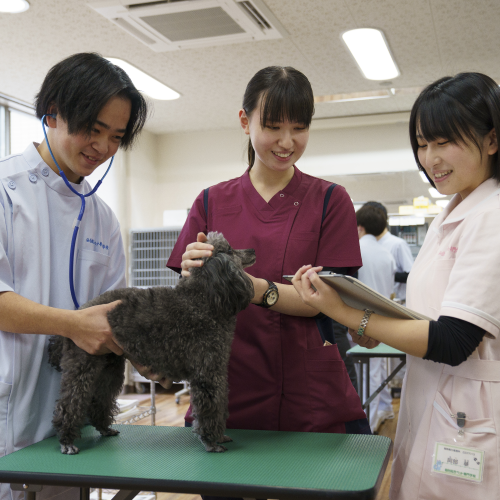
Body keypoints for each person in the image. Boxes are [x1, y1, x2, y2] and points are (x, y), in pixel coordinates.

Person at [292, 72, 500, 499]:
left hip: (468, 418)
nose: (430, 158)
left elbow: (453, 339)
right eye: (423, 144)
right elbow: (428, 318)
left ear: (493, 140)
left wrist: (348, 313)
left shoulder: (492, 216)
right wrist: (372, 324)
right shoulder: (451, 215)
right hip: (433, 402)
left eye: (444, 142)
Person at [167, 65, 369, 479]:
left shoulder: (331, 200)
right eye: (273, 126)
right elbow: (188, 300)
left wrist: (254, 288)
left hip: (308, 395)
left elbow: (328, 301)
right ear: (245, 121)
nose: (287, 142)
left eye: (299, 127)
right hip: (228, 383)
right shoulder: (210, 201)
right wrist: (190, 276)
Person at [0, 53, 148, 500]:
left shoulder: (103, 220)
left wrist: (147, 351)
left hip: (70, 428)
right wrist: (73, 325)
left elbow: (112, 317)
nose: (102, 147)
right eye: (93, 128)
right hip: (9, 414)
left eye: (115, 136)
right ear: (52, 114)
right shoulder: (6, 191)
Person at [355, 205, 396, 432]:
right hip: (383, 320)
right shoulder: (386, 253)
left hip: (358, 320)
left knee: (365, 373)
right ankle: (384, 410)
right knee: (378, 369)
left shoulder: (355, 249)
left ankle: (368, 424)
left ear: (359, 227)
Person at [364, 201, 414, 304]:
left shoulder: (398, 244)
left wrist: (386, 273)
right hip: (374, 302)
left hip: (396, 302)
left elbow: (411, 275)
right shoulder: (367, 245)